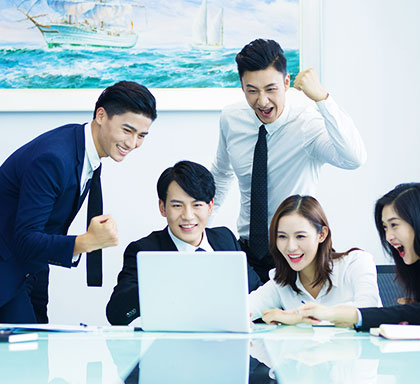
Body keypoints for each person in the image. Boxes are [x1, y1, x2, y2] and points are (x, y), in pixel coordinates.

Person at [211, 38, 366, 283]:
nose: (262, 101)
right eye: (252, 90)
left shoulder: (307, 124)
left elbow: (353, 158)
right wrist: (199, 230)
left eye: (271, 89)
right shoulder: (231, 118)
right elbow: (221, 175)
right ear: (242, 86)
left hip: (296, 253)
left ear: (286, 83)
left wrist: (323, 99)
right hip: (247, 251)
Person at [0, 81, 157, 323]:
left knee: (40, 342)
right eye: (127, 130)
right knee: (25, 346)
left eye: (141, 136)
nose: (132, 143)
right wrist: (87, 242)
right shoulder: (54, 159)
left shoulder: (83, 148)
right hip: (7, 269)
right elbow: (25, 237)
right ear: (101, 116)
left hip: (33, 266)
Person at [106, 160, 262, 325]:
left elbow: (258, 294)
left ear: (210, 206)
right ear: (162, 207)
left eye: (197, 205)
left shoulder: (225, 239)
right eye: (177, 206)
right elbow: (117, 315)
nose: (188, 216)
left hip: (226, 336)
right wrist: (160, 281)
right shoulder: (145, 250)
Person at [295, 183, 420, 330]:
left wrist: (348, 315)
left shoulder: (356, 260)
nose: (388, 237)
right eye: (385, 227)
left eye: (394, 225)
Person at [249, 194, 381, 324]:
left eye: (300, 236)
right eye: (282, 236)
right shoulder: (281, 281)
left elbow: (368, 312)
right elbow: (243, 309)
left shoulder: (355, 263)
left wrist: (296, 317)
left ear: (322, 235)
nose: (291, 247)